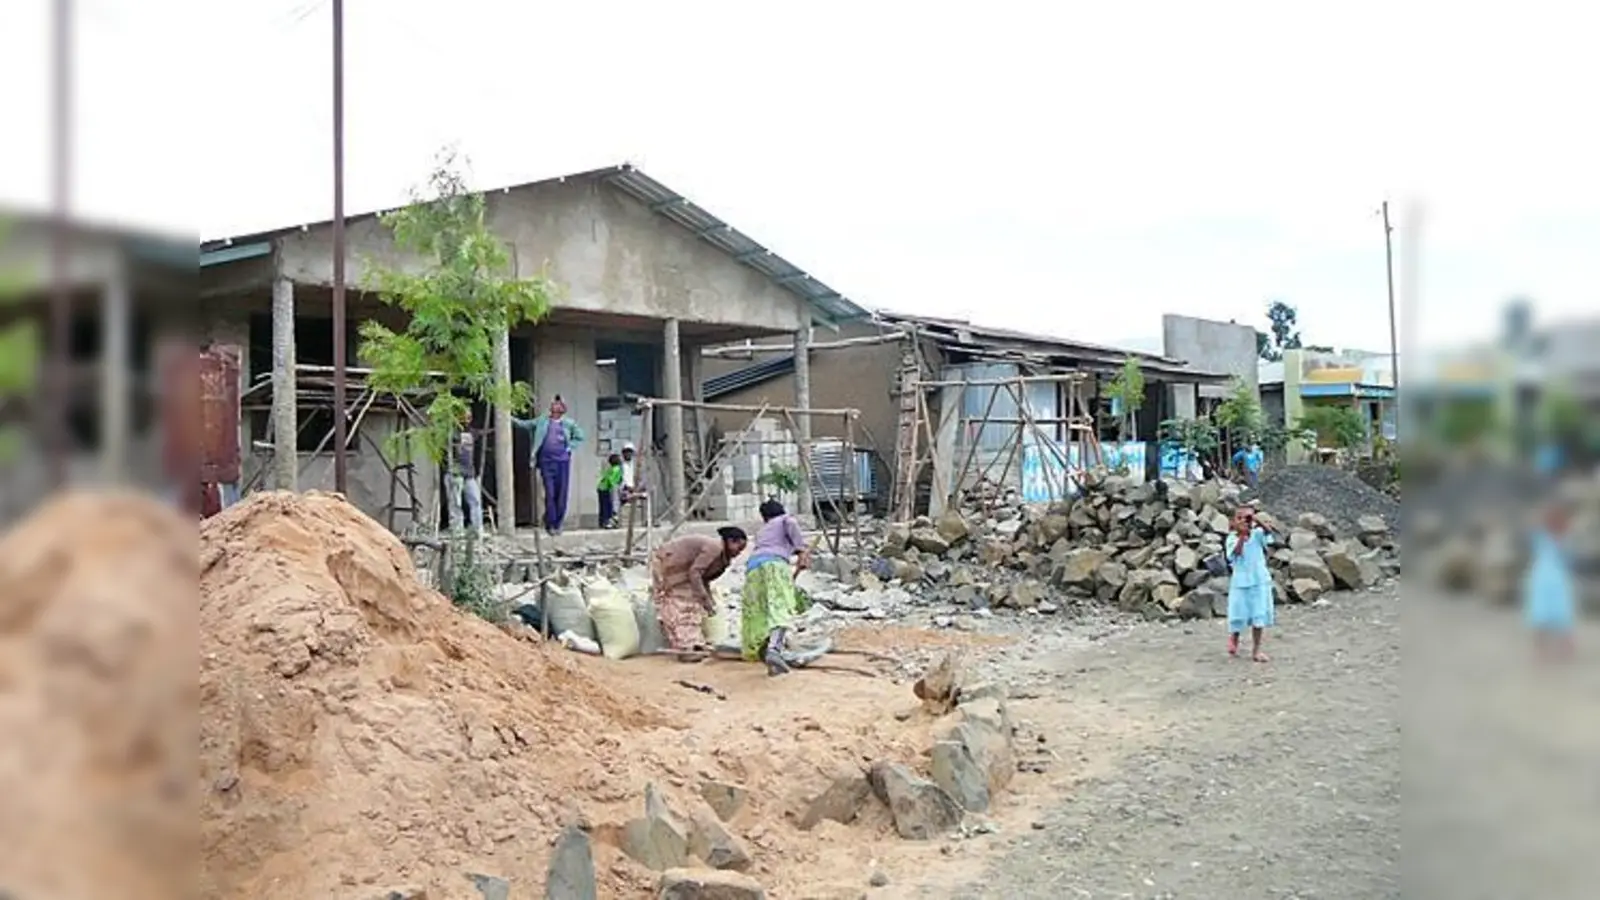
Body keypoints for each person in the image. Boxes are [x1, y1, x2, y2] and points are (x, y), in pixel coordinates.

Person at [741, 499, 812, 676]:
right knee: (780, 607)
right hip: (774, 566)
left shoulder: (763, 530)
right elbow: (791, 525)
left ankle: (764, 650)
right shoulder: (785, 520)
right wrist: (802, 552)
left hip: (753, 569)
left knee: (759, 611)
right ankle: (774, 650)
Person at [651, 527, 748, 651]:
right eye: (738, 548)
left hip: (681, 569)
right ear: (729, 541)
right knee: (682, 605)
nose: (738, 553)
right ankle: (685, 643)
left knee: (691, 605)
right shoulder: (715, 548)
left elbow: (704, 579)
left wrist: (708, 601)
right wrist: (704, 598)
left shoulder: (721, 556)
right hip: (669, 562)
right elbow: (695, 572)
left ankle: (688, 641)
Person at [513, 396, 585, 535]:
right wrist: (507, 417)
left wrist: (570, 447)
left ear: (563, 409)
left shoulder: (569, 424)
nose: (555, 406)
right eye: (554, 403)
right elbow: (524, 424)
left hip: (562, 462)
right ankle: (551, 523)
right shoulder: (542, 421)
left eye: (559, 404)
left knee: (562, 493)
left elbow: (580, 436)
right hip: (546, 462)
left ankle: (558, 524)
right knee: (550, 493)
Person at [1524, 503, 1577, 661]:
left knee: (1550, 615)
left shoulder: (1549, 537)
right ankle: (1556, 652)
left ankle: (1547, 652)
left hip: (1548, 577)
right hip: (1550, 577)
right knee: (1551, 615)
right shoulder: (1545, 537)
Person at [1225, 506, 1275, 662]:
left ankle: (1256, 650)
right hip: (1241, 581)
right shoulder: (1232, 538)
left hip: (1258, 580)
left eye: (1245, 518)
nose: (1243, 521)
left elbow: (1269, 534)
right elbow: (1236, 553)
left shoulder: (1257, 534)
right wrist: (1242, 535)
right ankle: (1234, 636)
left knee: (1258, 616)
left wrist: (1255, 519)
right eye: (1239, 518)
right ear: (1233, 522)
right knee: (1238, 614)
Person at [446, 411, 484, 534]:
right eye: (464, 416)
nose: (467, 419)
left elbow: (480, 434)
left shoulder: (472, 432)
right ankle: (457, 531)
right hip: (455, 472)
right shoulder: (451, 433)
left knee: (476, 501)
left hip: (469, 473)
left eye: (469, 417)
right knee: (456, 503)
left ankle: (477, 529)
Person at [597, 453, 625, 529]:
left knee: (603, 506)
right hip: (606, 488)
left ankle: (602, 522)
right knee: (608, 506)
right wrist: (614, 488)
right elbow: (611, 480)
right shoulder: (617, 469)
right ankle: (607, 522)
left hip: (601, 487)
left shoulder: (611, 468)